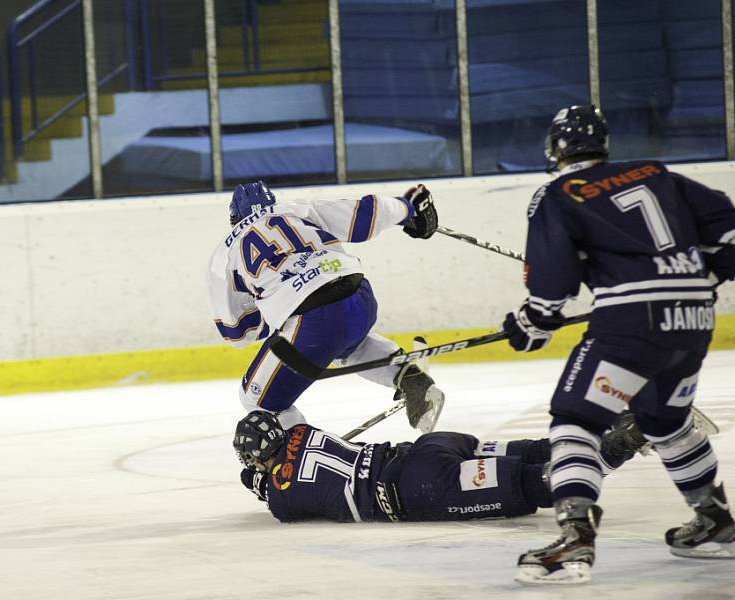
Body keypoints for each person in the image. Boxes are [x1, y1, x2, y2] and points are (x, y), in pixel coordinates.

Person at [501, 104, 735, 584]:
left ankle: (574, 537)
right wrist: (697, 279)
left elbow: (552, 283)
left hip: (630, 325)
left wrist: (531, 322)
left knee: (577, 419)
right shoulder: (655, 174)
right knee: (664, 420)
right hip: (693, 317)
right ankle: (715, 522)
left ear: (556, 148)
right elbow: (728, 229)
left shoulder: (559, 193)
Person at [207, 181, 445, 433]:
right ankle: (411, 379)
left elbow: (237, 333)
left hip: (313, 322)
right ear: (271, 203)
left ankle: (299, 458)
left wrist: (272, 306)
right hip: (359, 296)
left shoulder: (223, 253)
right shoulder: (293, 210)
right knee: (350, 344)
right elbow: (364, 215)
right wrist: (407, 208)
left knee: (258, 401)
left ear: (234, 219)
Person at [232, 409, 648, 524]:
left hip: (422, 486)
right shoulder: (303, 431)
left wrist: (258, 479)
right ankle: (612, 426)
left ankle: (621, 446)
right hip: (433, 446)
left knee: (530, 482)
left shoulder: (283, 498)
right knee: (534, 450)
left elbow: (275, 492)